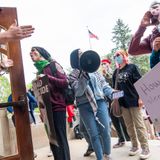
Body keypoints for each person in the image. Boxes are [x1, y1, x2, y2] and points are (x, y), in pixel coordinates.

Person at [69, 49, 115, 160]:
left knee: (106, 130)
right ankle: (99, 158)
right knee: (93, 134)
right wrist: (83, 78)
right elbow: (78, 92)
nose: (83, 54)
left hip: (100, 102)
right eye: (80, 53)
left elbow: (104, 86)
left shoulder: (95, 70)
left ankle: (107, 155)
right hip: (84, 106)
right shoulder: (72, 75)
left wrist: (113, 93)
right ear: (75, 58)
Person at [30, 46, 71, 160]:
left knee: (61, 139)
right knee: (53, 141)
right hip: (46, 111)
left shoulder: (53, 65)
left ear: (41, 52)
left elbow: (65, 82)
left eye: (33, 50)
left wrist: (47, 77)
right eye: (30, 52)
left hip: (58, 107)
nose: (31, 53)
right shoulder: (39, 72)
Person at [112, 49, 150, 159]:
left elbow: (140, 83)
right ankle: (134, 146)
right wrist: (115, 101)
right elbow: (116, 89)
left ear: (124, 56)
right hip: (123, 103)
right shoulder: (116, 72)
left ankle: (145, 148)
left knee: (139, 125)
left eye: (118, 55)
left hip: (134, 101)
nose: (116, 57)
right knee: (129, 126)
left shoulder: (132, 67)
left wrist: (141, 98)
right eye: (115, 56)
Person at [101, 59, 130, 148]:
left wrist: (106, 74)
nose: (103, 65)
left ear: (109, 64)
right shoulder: (101, 75)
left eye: (105, 63)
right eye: (102, 64)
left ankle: (129, 138)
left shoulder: (114, 72)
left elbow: (113, 84)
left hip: (117, 99)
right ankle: (121, 139)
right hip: (108, 102)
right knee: (115, 121)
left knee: (122, 120)